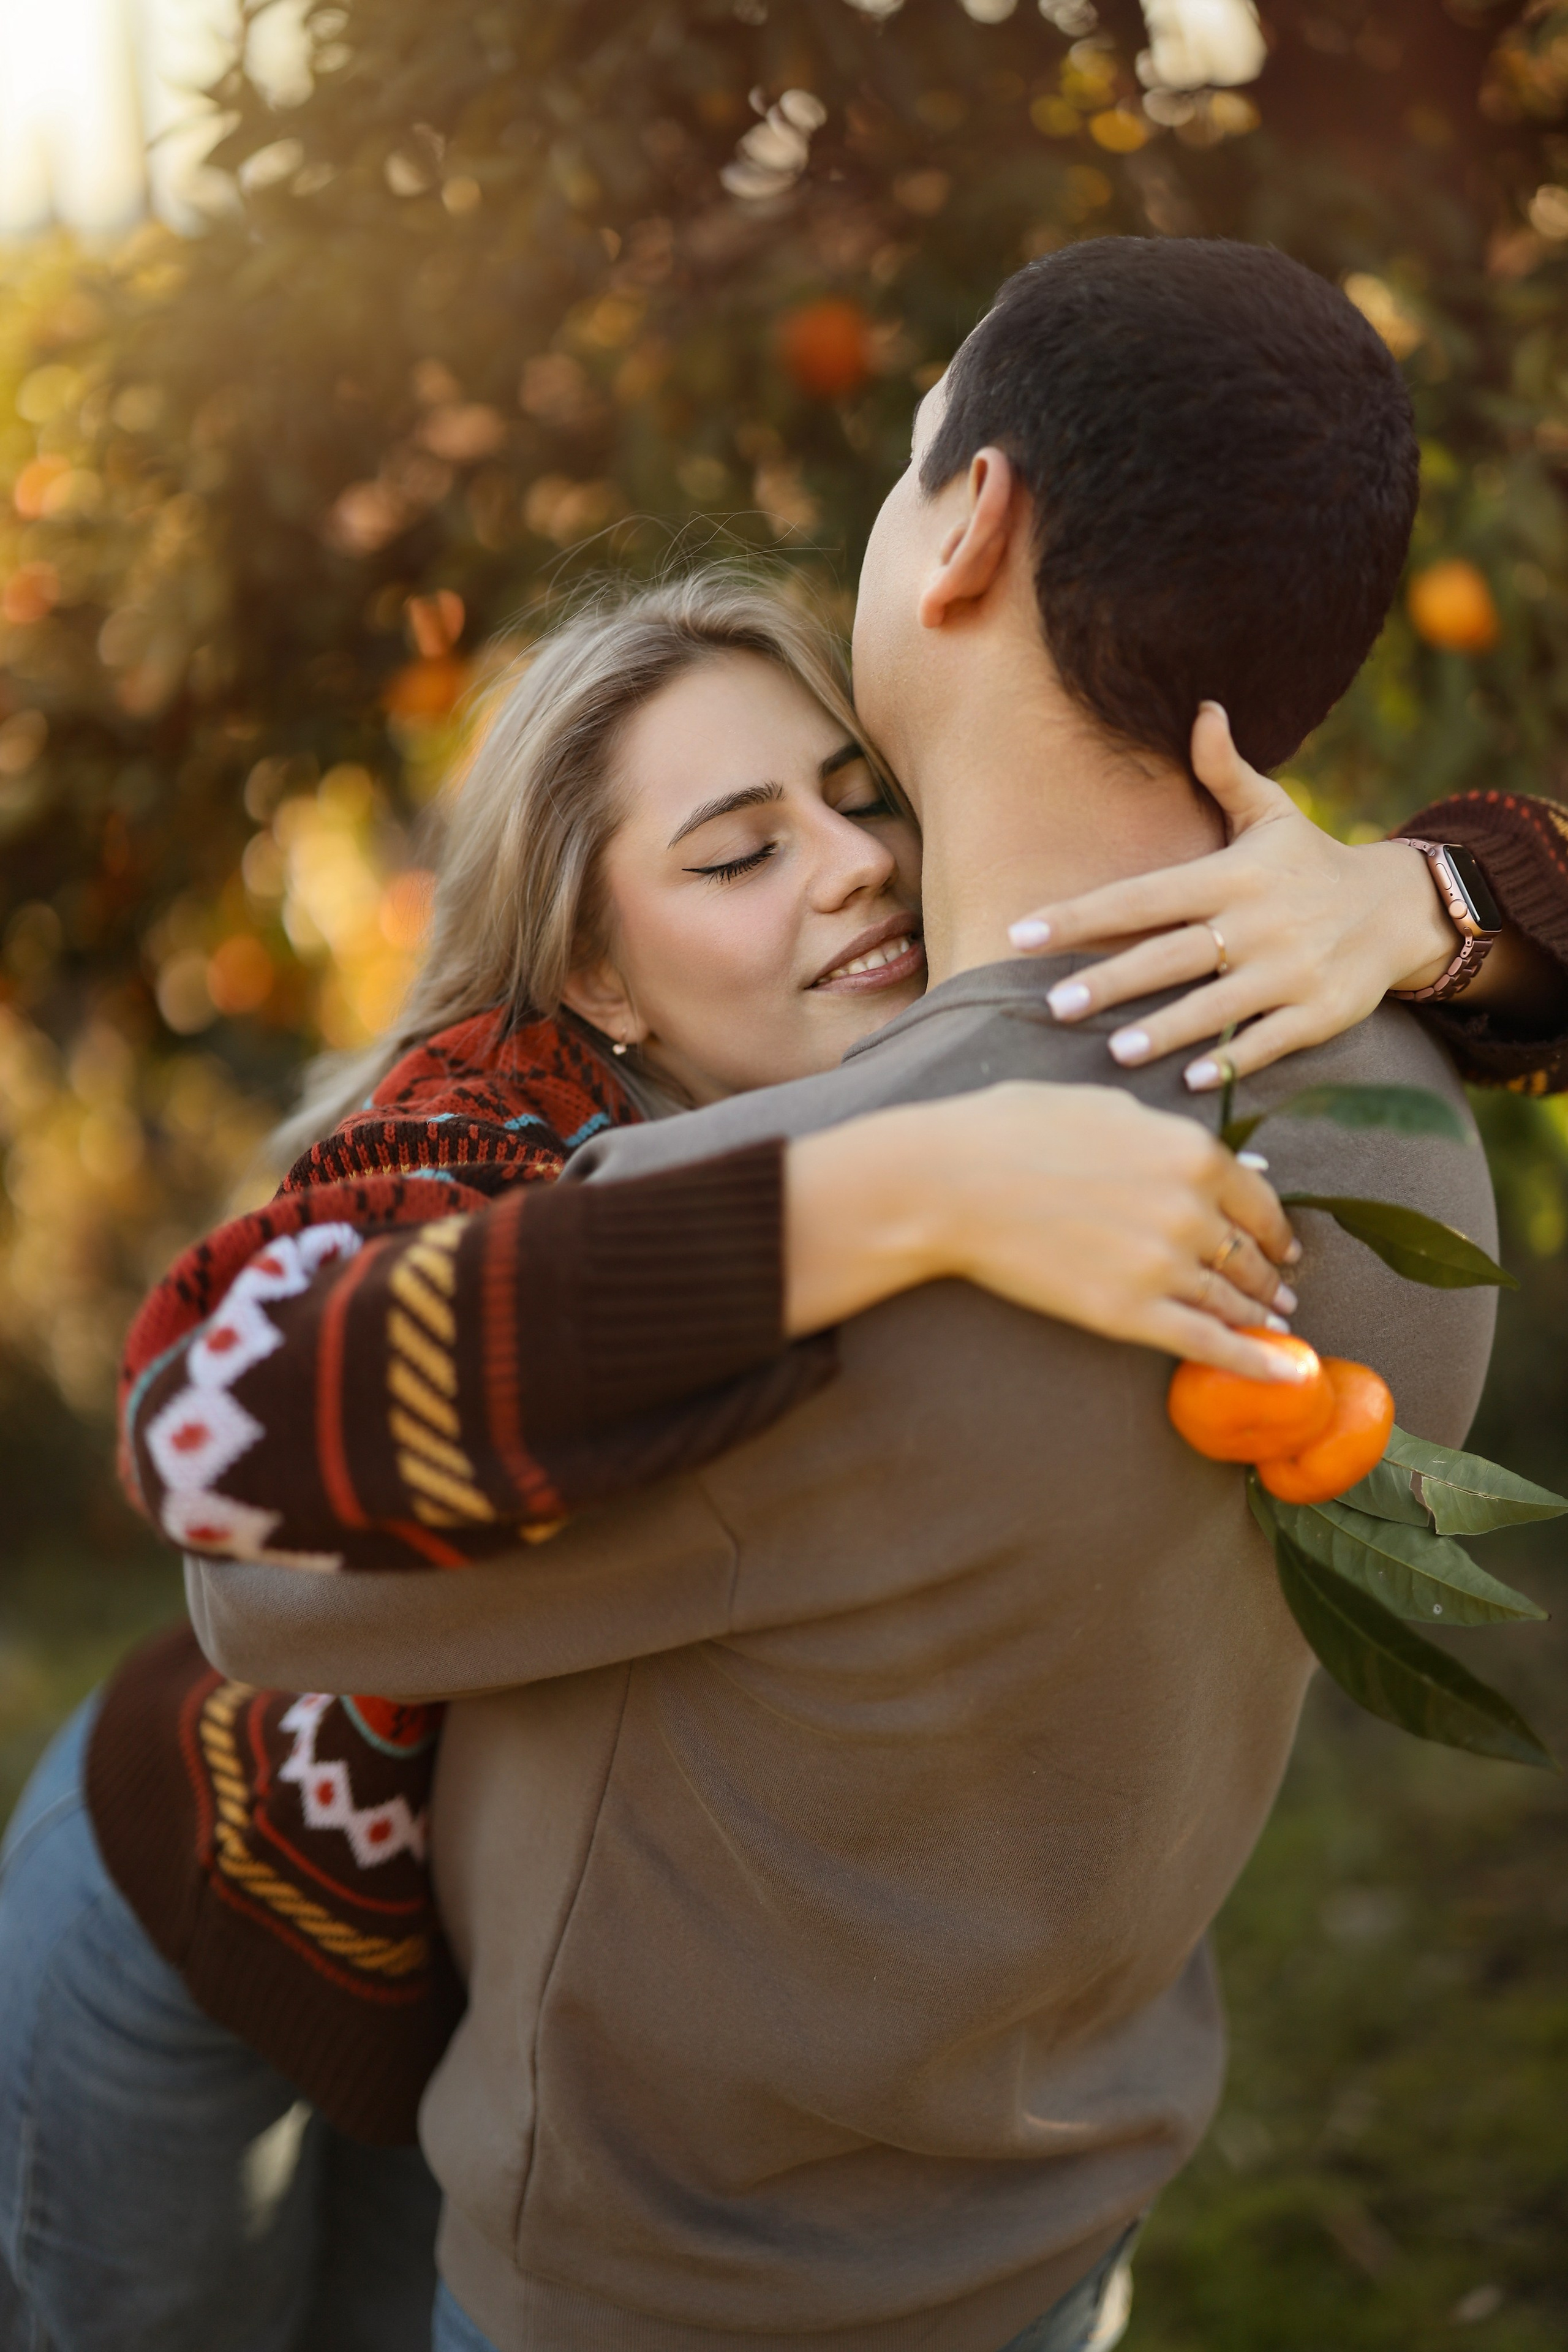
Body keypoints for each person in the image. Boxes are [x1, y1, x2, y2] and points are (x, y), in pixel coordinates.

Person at [176, 239, 1566, 2352]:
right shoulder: (1399, 1104)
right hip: (1052, 2227)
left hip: (673, 2298)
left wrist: (852, 1190)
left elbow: (251, 1554)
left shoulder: (793, 1217)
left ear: (973, 527)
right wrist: (1442, 901)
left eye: (918, 464)